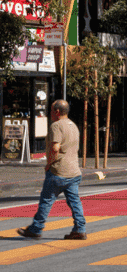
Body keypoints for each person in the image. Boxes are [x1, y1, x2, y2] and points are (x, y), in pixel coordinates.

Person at [17, 100, 87, 240]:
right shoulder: (73, 125)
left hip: (58, 171)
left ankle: (36, 229)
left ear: (56, 112)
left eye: (50, 110)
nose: (50, 113)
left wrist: (49, 163)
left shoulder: (56, 126)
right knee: (75, 202)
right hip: (74, 171)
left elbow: (55, 148)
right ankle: (80, 228)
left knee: (47, 201)